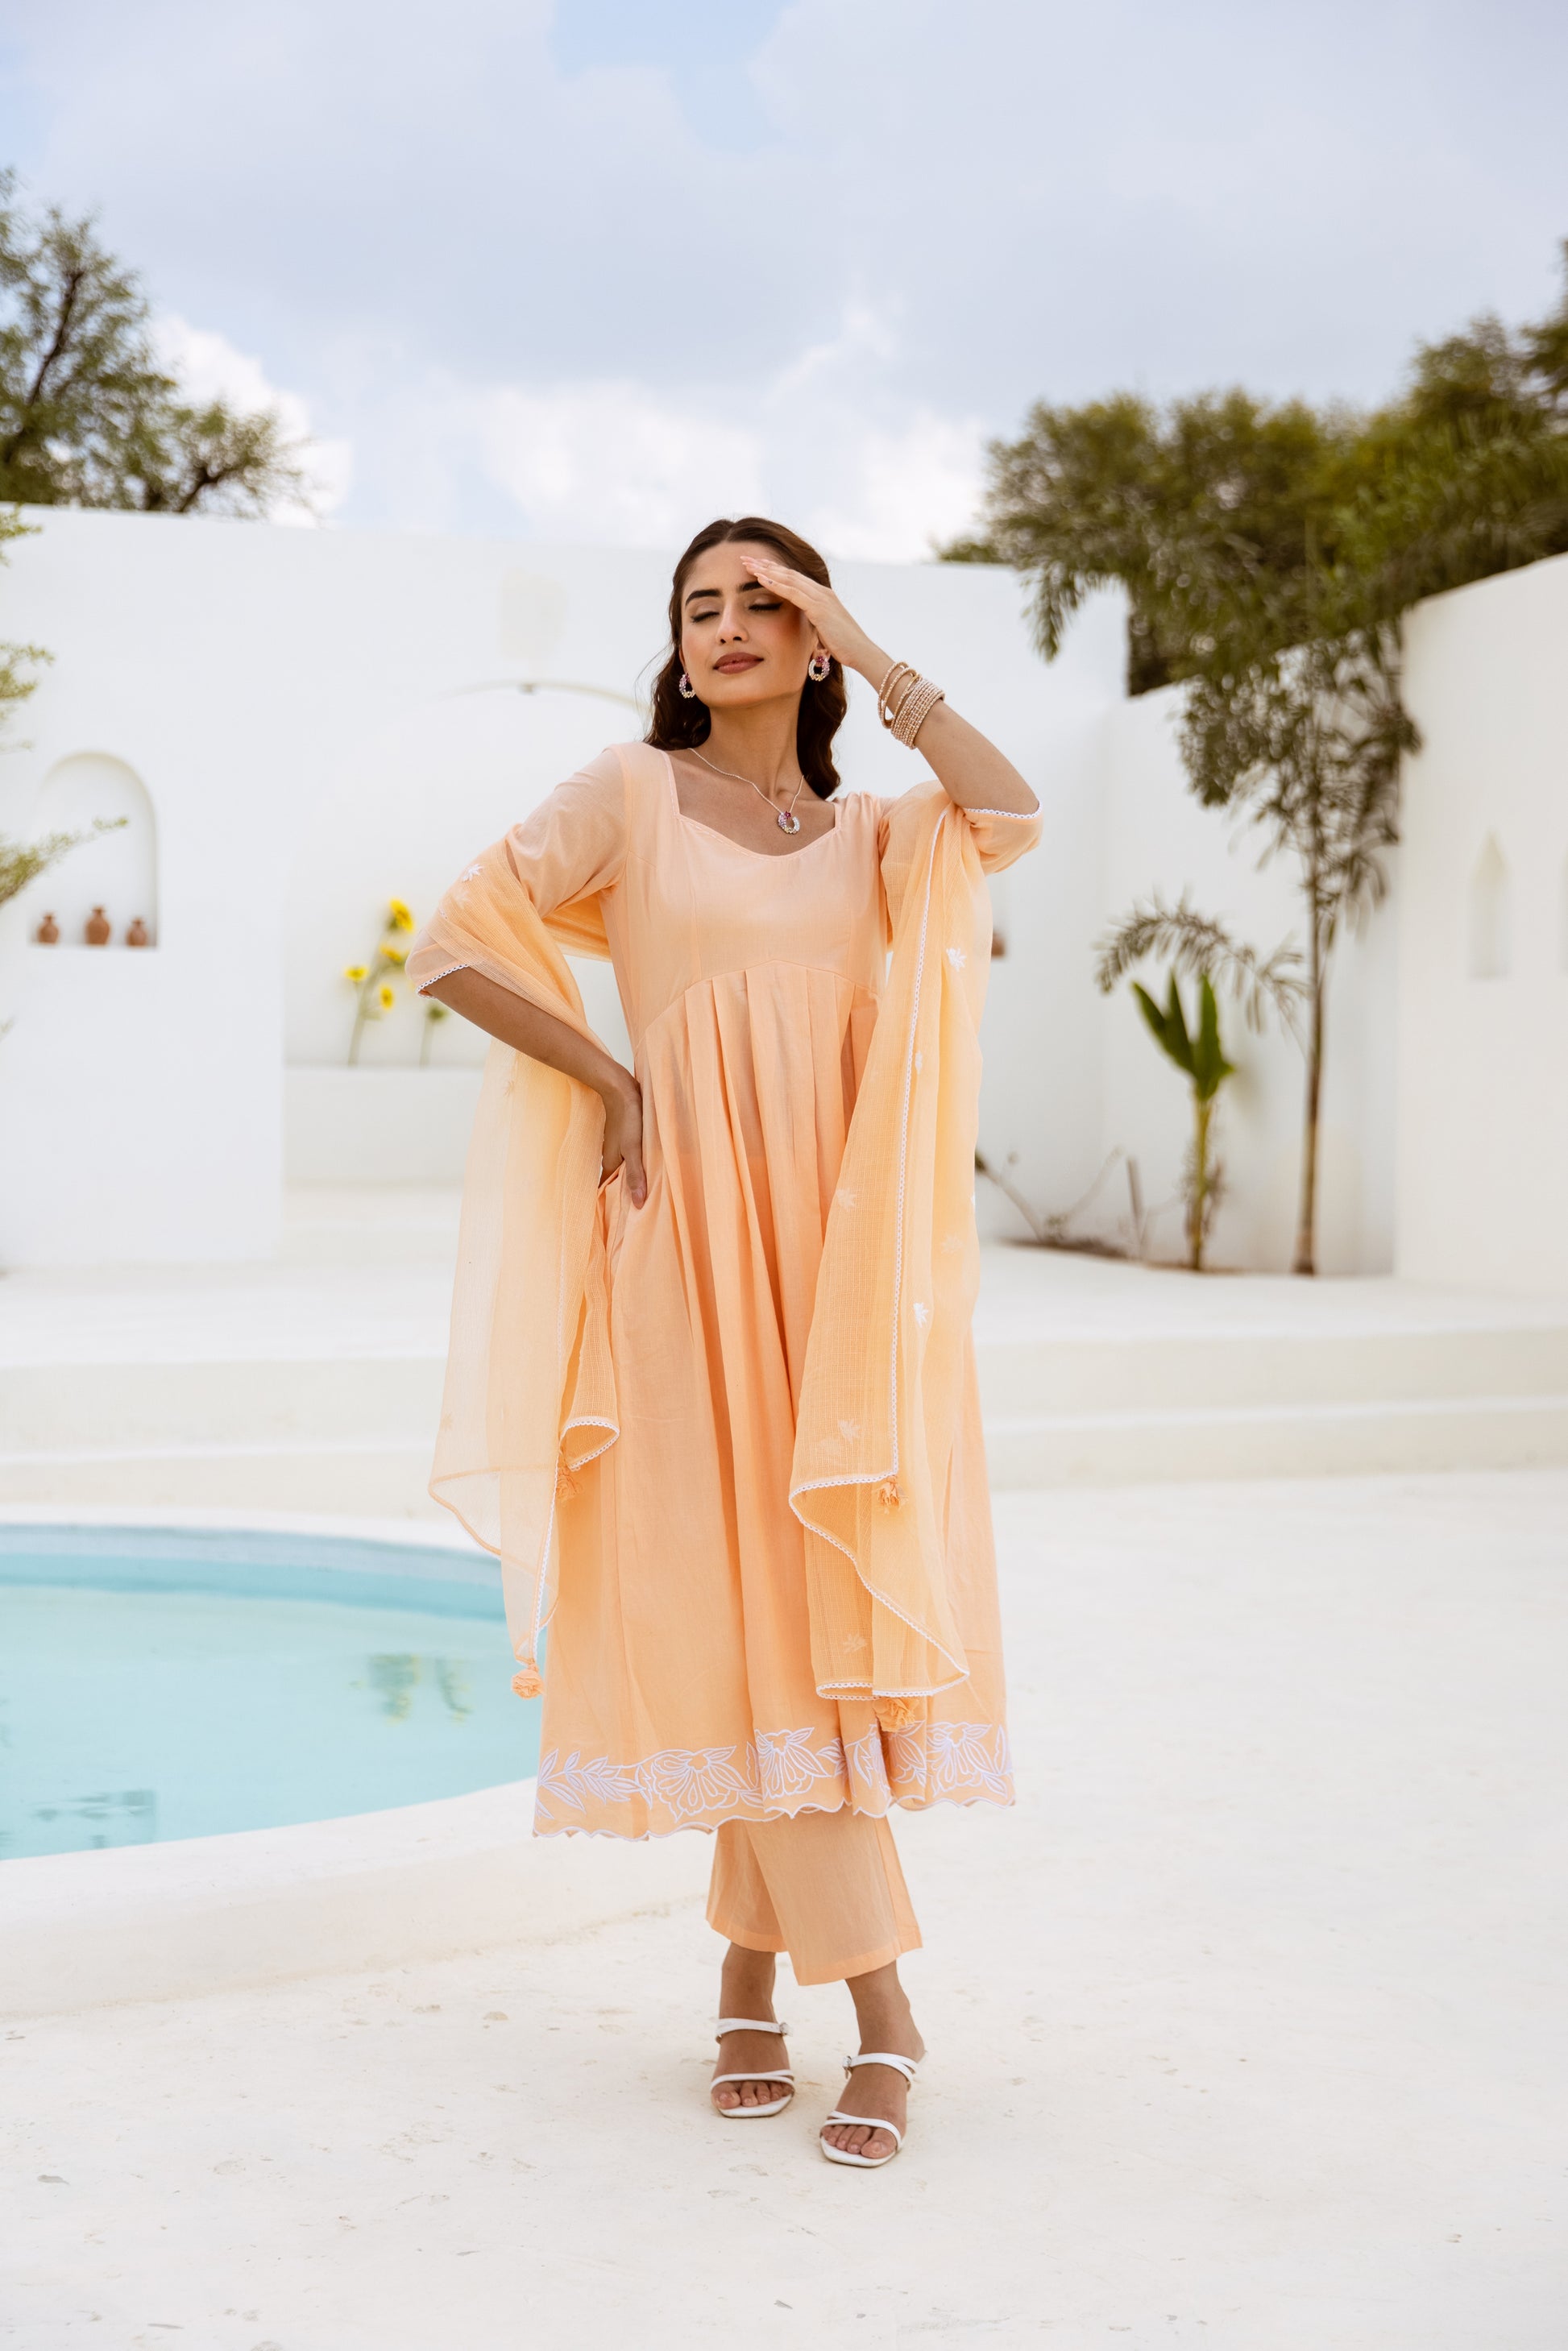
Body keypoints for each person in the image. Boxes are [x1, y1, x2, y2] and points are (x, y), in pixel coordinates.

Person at [409, 516, 1041, 2167]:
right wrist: (610, 1080)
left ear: (813, 634)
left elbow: (1009, 812)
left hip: (837, 1266)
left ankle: (749, 1975)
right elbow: (454, 937)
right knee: (745, 1609)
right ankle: (886, 2012)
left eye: (766, 600)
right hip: (686, 1249)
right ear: (676, 646)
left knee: (802, 1615)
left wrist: (870, 646)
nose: (728, 625)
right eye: (700, 605)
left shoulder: (876, 835)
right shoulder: (627, 791)